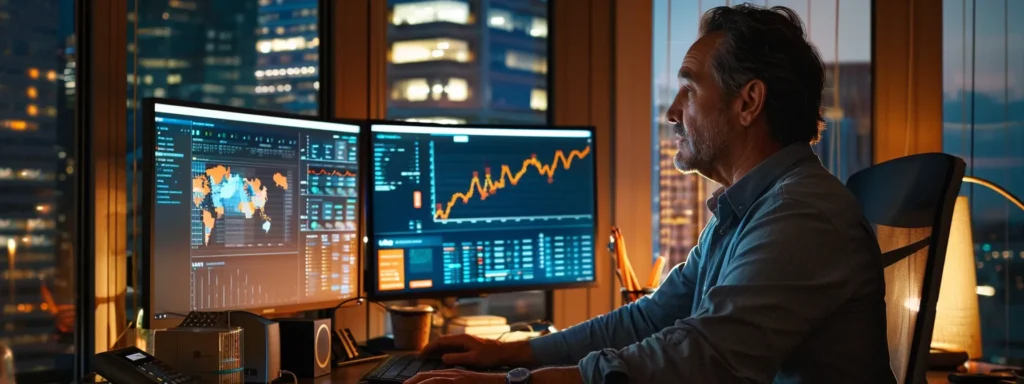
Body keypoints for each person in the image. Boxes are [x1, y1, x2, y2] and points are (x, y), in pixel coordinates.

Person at [406, 4, 896, 384]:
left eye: (690, 89)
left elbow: (707, 357)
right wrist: (511, 354)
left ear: (748, 102)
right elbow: (652, 317)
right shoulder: (751, 210)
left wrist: (518, 381)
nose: (672, 113)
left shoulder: (802, 214)